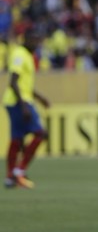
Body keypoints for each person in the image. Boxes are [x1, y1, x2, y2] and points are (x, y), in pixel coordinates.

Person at [3, 29, 50, 189]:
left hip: (20, 100)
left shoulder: (28, 56)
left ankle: (11, 177)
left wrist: (40, 97)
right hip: (18, 102)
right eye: (34, 40)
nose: (36, 44)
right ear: (26, 39)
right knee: (40, 133)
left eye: (38, 40)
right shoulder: (19, 54)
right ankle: (19, 171)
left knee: (17, 139)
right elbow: (13, 82)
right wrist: (23, 106)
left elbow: (25, 84)